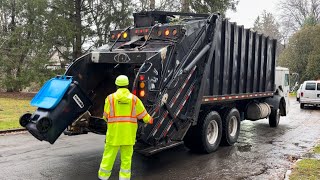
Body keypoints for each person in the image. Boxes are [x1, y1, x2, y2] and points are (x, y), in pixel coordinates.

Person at [98, 75, 153, 180]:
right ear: (127, 85)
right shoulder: (134, 99)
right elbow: (143, 115)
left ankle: (103, 177)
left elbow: (105, 117)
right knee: (126, 159)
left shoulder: (110, 98)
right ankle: (124, 178)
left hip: (114, 135)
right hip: (128, 135)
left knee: (108, 157)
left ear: (116, 85)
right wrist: (149, 119)